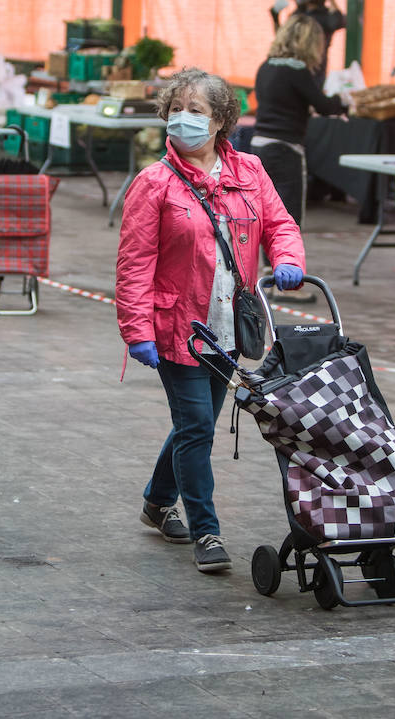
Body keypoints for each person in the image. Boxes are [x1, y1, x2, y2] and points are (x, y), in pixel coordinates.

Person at [116, 67, 306, 574]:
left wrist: (288, 258)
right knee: (198, 425)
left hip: (229, 326)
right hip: (176, 327)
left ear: (222, 120)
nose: (183, 119)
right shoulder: (153, 182)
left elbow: (280, 223)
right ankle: (207, 530)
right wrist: (137, 331)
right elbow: (135, 262)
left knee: (193, 425)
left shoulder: (249, 171)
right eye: (176, 110)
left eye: (196, 111)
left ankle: (156, 502)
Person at [252, 15, 350, 229]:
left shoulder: (266, 66)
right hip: (286, 147)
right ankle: (285, 263)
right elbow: (323, 105)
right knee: (288, 218)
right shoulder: (297, 69)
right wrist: (343, 101)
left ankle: (269, 263)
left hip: (259, 146)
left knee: (266, 214)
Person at [270, 0, 345, 86]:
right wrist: (275, 18)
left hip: (314, 72)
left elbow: (339, 22)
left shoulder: (324, 17)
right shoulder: (297, 14)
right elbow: (282, 39)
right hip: (291, 69)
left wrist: (331, 0)